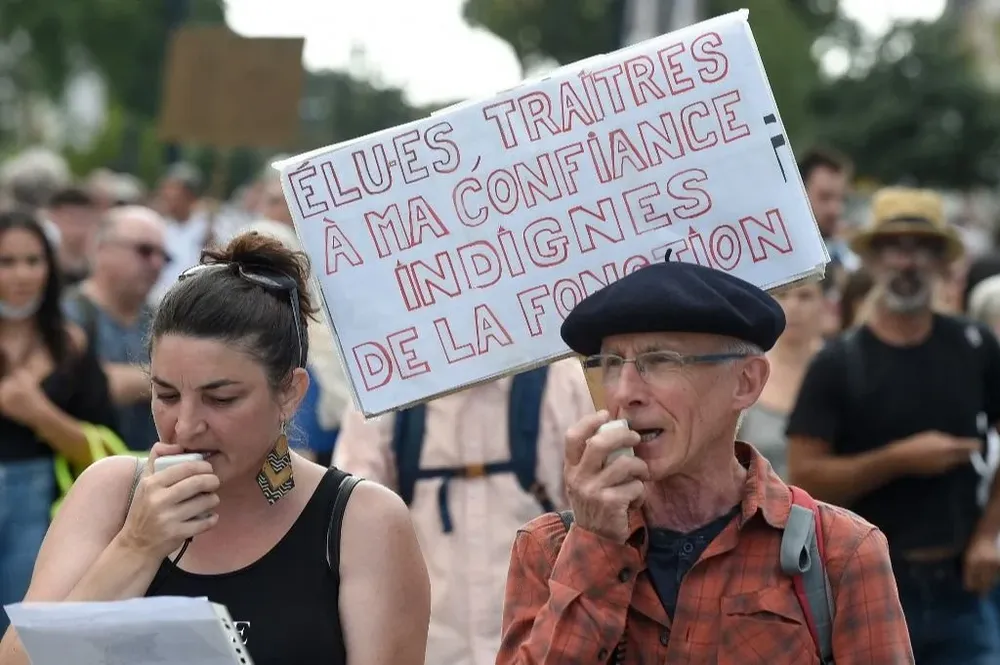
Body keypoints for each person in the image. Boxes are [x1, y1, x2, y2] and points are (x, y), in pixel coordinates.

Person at [0, 232, 430, 665]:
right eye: (165, 395)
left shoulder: (361, 521)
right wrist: (136, 547)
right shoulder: (112, 493)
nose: (185, 425)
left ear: (290, 392)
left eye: (220, 398)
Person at [497, 253, 913, 664]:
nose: (625, 392)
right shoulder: (550, 548)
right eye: (609, 364)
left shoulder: (840, 551)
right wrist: (594, 547)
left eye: (658, 361)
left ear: (746, 382)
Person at [787, 187, 1000, 664]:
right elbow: (804, 477)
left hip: (962, 587)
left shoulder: (975, 346)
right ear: (876, 260)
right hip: (866, 587)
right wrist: (899, 459)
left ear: (942, 262)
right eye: (895, 247)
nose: (908, 263)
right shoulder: (839, 363)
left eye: (923, 249)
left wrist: (990, 533)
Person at [335, 357, 593, 665]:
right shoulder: (381, 390)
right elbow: (349, 527)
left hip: (544, 646)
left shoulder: (562, 380)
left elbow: (595, 532)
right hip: (430, 649)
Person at [0, 208, 117, 635]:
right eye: (6, 261)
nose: (21, 275)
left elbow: (103, 451)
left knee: (25, 633)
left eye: (33, 261)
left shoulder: (70, 343)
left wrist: (38, 413)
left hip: (38, 509)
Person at [63, 206, 169, 450]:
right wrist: (169, 381)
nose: (156, 263)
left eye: (164, 256)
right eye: (144, 251)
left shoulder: (163, 316)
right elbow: (86, 387)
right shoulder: (69, 313)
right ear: (102, 249)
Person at [738, 279, 829, 479]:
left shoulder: (841, 367)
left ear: (824, 303)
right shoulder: (747, 374)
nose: (793, 306)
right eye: (783, 295)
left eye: (805, 296)